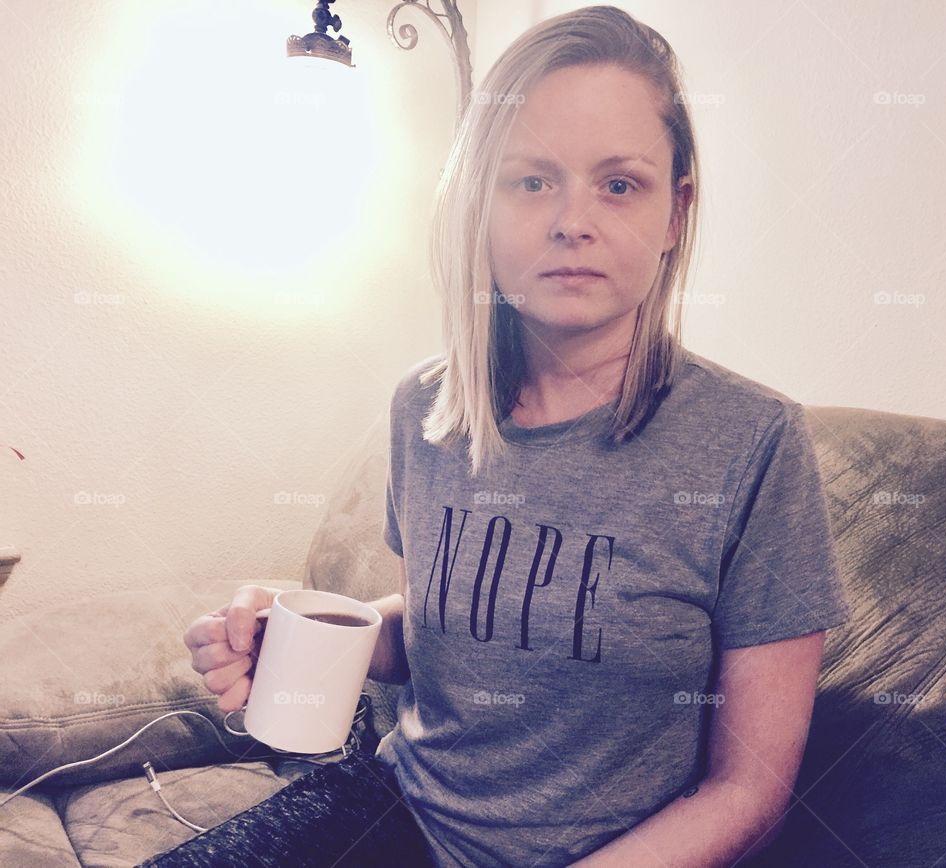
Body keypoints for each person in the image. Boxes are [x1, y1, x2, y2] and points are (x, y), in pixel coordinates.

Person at [151, 5, 850, 867]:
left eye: (620, 183)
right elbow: (443, 624)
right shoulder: (427, 406)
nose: (572, 221)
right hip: (392, 806)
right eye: (531, 180)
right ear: (481, 202)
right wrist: (306, 631)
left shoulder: (755, 445)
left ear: (677, 210)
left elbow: (751, 793)